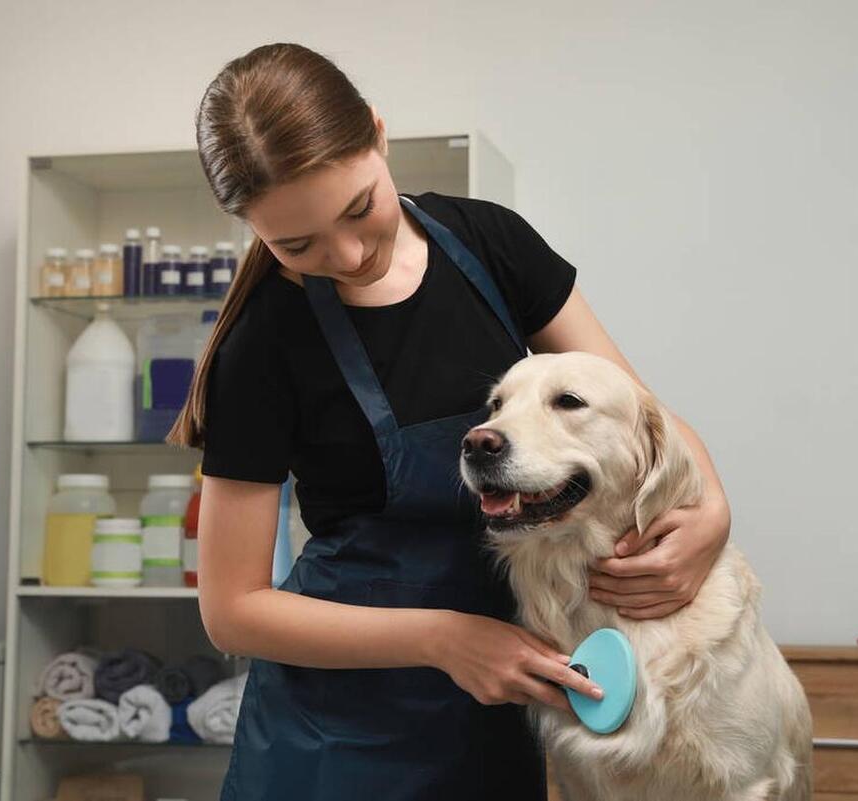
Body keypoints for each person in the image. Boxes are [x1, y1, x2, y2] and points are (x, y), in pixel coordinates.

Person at [168, 42, 732, 801]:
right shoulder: (263, 346)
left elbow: (637, 406)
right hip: (336, 736)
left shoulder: (491, 245)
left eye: (358, 207)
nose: (346, 253)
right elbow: (232, 611)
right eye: (295, 245)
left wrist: (713, 511)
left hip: (498, 701)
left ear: (377, 133)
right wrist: (446, 637)